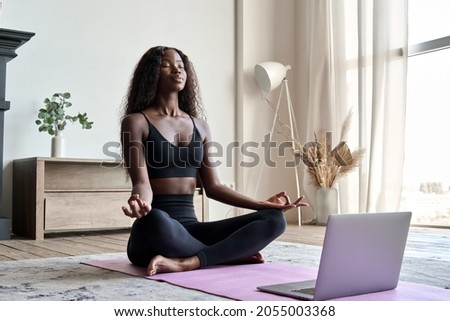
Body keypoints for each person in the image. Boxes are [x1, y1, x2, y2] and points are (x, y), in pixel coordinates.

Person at [120, 46, 308, 276]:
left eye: (181, 65)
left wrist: (263, 205)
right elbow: (142, 183)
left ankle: (189, 262)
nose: (177, 70)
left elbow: (214, 187)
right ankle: (227, 255)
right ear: (151, 73)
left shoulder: (201, 126)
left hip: (192, 231)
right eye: (166, 65)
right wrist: (141, 202)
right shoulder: (136, 122)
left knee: (274, 220)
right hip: (157, 231)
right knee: (155, 220)